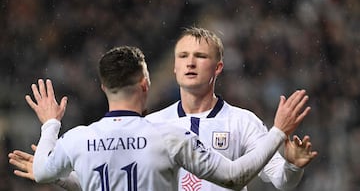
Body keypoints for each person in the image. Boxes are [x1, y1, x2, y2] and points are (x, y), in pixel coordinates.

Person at [8, 46, 311, 190]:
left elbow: (46, 172)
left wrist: (51, 124)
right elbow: (233, 177)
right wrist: (278, 131)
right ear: (145, 84)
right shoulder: (168, 137)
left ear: (103, 87)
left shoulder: (79, 139)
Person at [145, 27, 318, 191]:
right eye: (183, 56)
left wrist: (293, 166)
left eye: (200, 56)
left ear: (218, 67)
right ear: (174, 67)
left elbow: (282, 181)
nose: (190, 63)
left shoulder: (243, 122)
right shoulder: (151, 124)